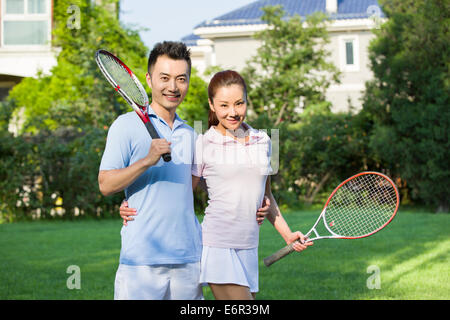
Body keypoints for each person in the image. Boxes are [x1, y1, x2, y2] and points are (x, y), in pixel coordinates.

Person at [120, 70, 313, 300]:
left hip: (249, 245)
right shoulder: (204, 143)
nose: (233, 112)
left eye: (239, 104)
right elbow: (180, 193)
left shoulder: (264, 140)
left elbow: (267, 196)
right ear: (212, 105)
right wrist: (135, 204)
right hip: (217, 244)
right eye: (224, 105)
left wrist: (288, 234)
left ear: (246, 102)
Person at [99, 42, 268, 300]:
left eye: (181, 79)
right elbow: (106, 184)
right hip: (141, 262)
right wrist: (146, 161)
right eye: (164, 78)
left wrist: (258, 203)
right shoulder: (125, 126)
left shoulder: (192, 135)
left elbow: (209, 186)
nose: (173, 87)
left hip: (190, 260)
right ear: (148, 79)